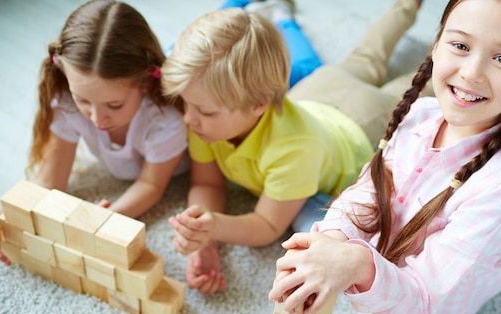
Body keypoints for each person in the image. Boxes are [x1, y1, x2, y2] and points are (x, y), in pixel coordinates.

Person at [269, 0, 501, 314]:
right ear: (436, 44)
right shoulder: (420, 112)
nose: (471, 73)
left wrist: (357, 262)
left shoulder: (500, 193)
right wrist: (334, 238)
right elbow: (371, 188)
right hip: (448, 209)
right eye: (461, 45)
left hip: (457, 257)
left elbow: (424, 296)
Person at [161, 0, 426, 294]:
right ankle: (404, 6)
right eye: (187, 103)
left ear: (257, 105)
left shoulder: (295, 149)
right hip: (319, 89)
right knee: (365, 58)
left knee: (421, 81)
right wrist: (204, 240)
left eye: (204, 111)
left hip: (364, 119)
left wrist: (213, 227)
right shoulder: (204, 120)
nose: (188, 118)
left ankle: (435, 35)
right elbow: (207, 183)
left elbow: (267, 226)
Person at [0, 0, 189, 266]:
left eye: (114, 105)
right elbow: (47, 181)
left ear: (144, 82)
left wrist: (105, 219)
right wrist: (0, 215)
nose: (97, 119)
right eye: (83, 100)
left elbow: (151, 185)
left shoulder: (166, 119)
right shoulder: (66, 102)